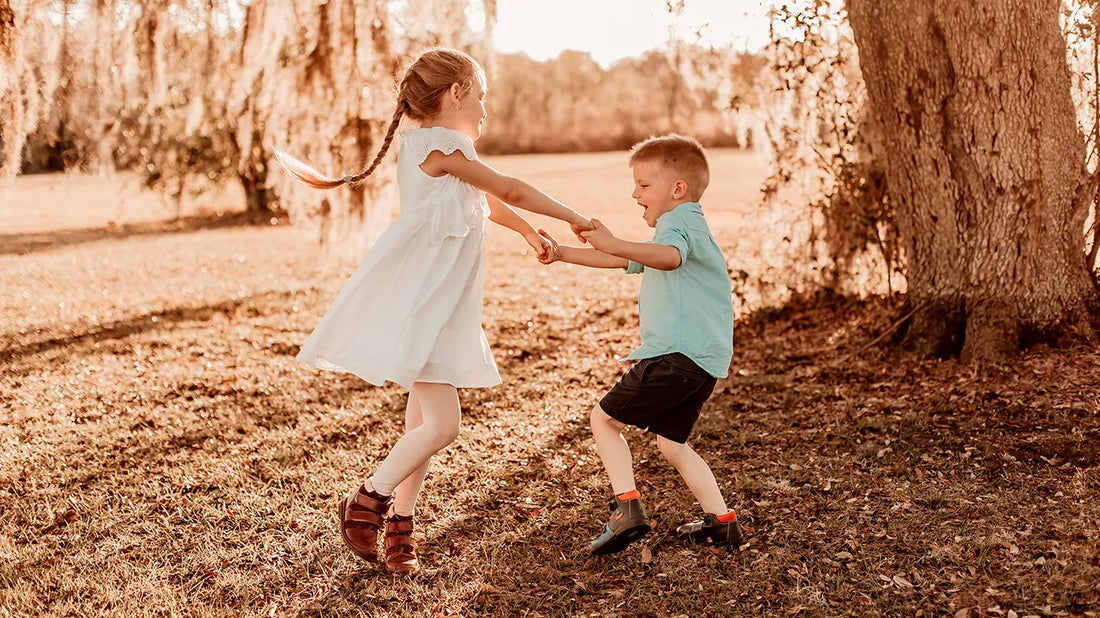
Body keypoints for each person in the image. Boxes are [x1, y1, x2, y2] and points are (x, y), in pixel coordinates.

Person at [275, 48, 592, 573]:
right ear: (457, 92)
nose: (486, 110)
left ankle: (400, 526)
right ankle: (366, 501)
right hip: (424, 301)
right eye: (482, 96)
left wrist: (529, 230)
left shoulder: (440, 149)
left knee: (421, 420)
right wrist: (574, 217)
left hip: (444, 302)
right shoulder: (439, 145)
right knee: (445, 425)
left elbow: (489, 201)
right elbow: (508, 186)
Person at [538, 134, 743, 555]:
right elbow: (625, 259)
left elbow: (669, 257)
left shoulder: (679, 222)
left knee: (604, 421)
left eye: (644, 185)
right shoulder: (688, 225)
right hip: (703, 360)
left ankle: (626, 510)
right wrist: (563, 253)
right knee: (672, 444)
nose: (635, 193)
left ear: (677, 189)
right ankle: (722, 524)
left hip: (676, 353)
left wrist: (613, 242)